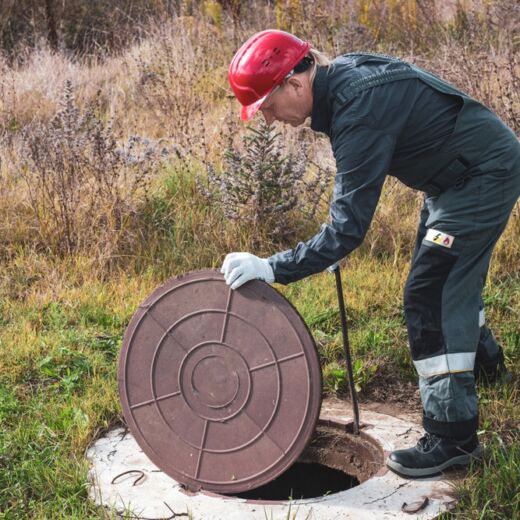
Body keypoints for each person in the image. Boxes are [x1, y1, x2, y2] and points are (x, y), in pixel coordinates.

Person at [220, 29, 520, 478]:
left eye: (265, 107)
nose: (267, 120)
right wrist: (329, 244)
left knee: (430, 293)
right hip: (454, 179)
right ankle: (488, 367)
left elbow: (347, 227)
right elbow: (351, 204)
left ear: (295, 84)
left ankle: (452, 436)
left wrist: (272, 268)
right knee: (450, 279)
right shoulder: (344, 84)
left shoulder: (356, 107)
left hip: (479, 178)